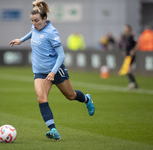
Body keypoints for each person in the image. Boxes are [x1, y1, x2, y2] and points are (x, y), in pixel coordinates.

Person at [9, 0, 95, 140]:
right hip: (40, 72)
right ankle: (53, 130)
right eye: (32, 21)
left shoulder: (51, 32)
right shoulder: (34, 27)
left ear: (44, 19)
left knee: (71, 96)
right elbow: (32, 32)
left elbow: (61, 56)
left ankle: (86, 99)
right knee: (41, 98)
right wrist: (21, 40)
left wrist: (53, 72)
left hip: (55, 70)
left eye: (36, 21)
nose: (34, 24)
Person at [122, 24, 138, 89]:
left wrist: (133, 50)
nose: (125, 30)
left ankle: (132, 83)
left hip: (131, 55)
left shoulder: (132, 36)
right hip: (127, 55)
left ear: (129, 29)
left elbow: (138, 44)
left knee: (128, 69)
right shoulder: (127, 37)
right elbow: (127, 46)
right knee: (127, 69)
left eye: (126, 28)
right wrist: (125, 52)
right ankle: (133, 83)